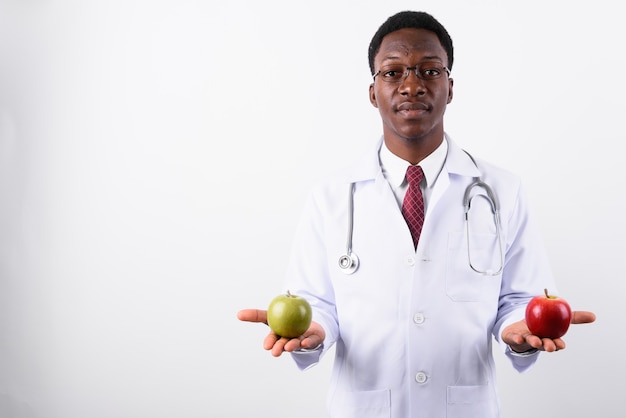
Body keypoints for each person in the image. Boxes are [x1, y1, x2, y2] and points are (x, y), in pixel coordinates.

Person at [237, 10, 596, 418]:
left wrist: (519, 332)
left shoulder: (503, 191)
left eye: (429, 71)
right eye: (392, 73)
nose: (411, 86)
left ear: (450, 86)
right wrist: (314, 332)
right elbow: (315, 302)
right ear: (373, 92)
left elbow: (520, 298)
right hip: (364, 406)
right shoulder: (331, 196)